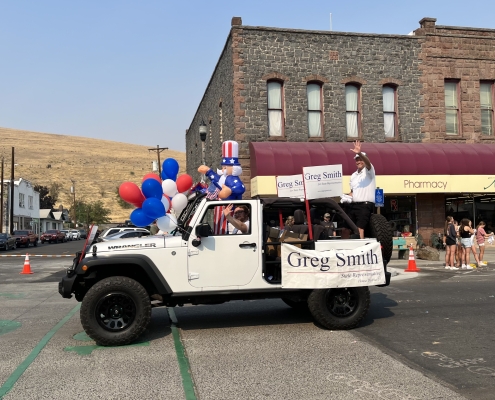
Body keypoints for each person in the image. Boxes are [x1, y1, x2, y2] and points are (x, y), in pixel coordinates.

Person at [348, 140, 376, 239]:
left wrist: (359, 152)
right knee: (350, 227)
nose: (358, 161)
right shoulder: (353, 175)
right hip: (354, 205)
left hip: (365, 205)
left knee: (360, 227)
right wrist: (346, 197)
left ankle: (361, 249)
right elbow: (352, 191)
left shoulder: (369, 170)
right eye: (357, 159)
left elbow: (368, 163)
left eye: (360, 159)